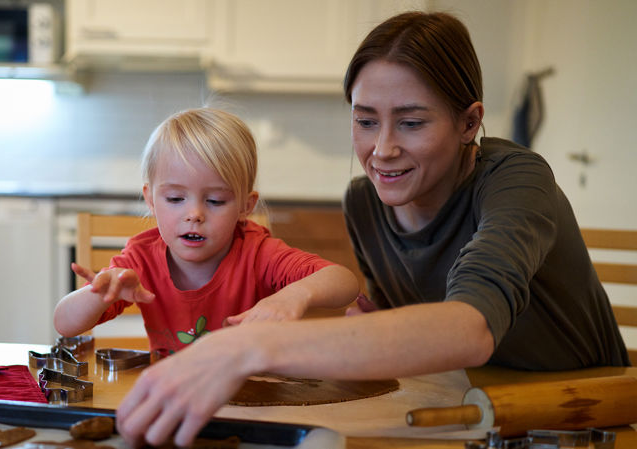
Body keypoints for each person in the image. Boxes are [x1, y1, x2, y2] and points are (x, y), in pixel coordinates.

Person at [114, 11, 630, 448]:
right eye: (365, 121)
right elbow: (407, 335)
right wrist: (375, 325)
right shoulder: (365, 201)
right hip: (463, 408)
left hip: (579, 417)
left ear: (469, 123)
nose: (381, 150)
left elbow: (469, 329)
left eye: (411, 122)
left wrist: (249, 347)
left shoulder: (518, 180)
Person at [53, 107, 360, 354]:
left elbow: (345, 283)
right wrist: (101, 295)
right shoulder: (140, 260)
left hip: (251, 398)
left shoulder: (258, 253)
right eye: (175, 199)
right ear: (150, 199)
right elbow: (64, 323)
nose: (194, 214)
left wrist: (294, 296)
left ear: (245, 205)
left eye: (215, 200)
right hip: (175, 397)